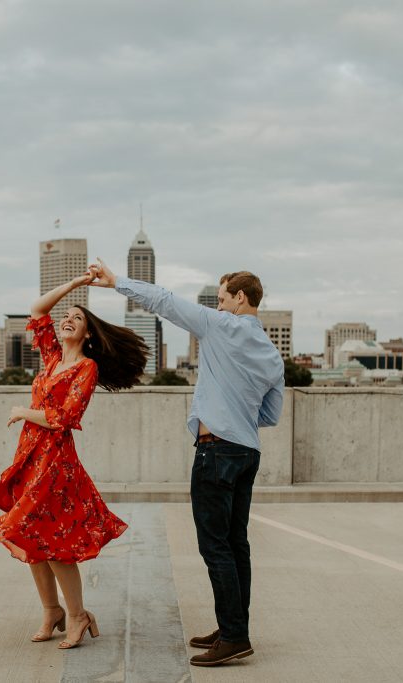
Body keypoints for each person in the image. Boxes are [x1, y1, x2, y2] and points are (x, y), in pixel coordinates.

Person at [89, 258, 285, 667]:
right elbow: (270, 415)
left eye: (222, 299)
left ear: (240, 298)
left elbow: (164, 301)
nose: (218, 306)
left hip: (217, 450)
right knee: (236, 544)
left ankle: (234, 636)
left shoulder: (220, 326)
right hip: (247, 452)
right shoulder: (271, 352)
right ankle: (233, 626)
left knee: (215, 546)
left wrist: (116, 282)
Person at [0, 270, 149, 649]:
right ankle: (52, 610)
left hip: (55, 463)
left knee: (52, 541)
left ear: (88, 334)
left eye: (78, 318)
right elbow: (37, 310)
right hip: (30, 457)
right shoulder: (52, 358)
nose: (68, 319)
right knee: (30, 536)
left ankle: (77, 615)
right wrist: (76, 285)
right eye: (67, 316)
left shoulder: (86, 368)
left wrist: (24, 412)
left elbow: (65, 417)